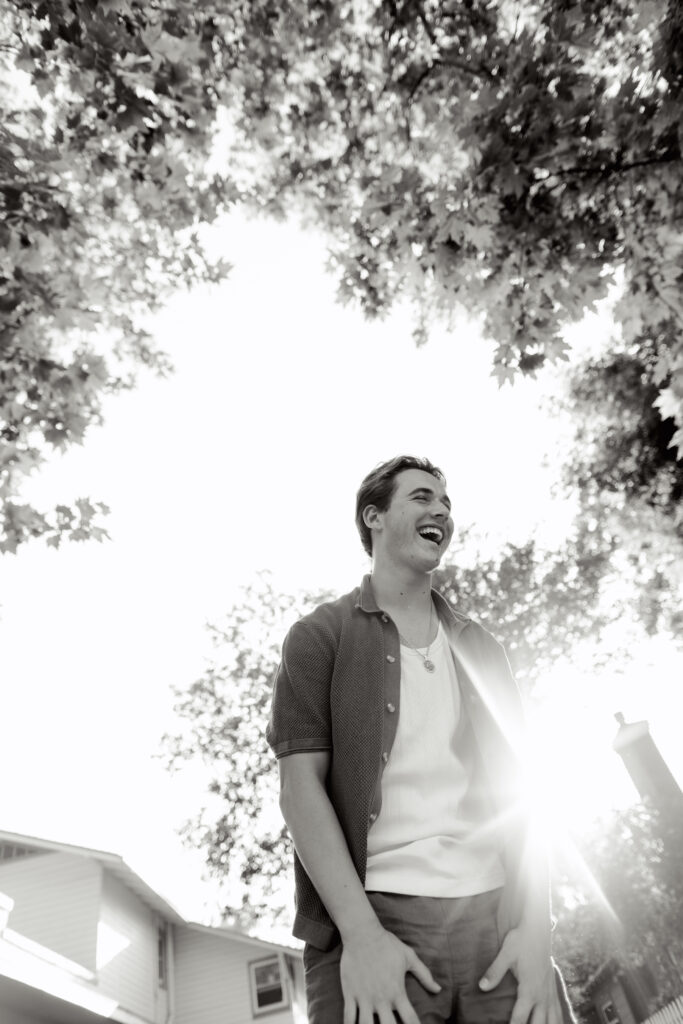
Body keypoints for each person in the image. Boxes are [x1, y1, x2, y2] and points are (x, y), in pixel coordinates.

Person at [267, 455, 574, 1024]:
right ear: (374, 517)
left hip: (498, 922)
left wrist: (537, 930)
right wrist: (361, 936)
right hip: (374, 922)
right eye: (422, 497)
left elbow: (527, 796)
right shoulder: (318, 638)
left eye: (447, 503)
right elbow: (299, 789)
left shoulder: (482, 648)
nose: (441, 511)